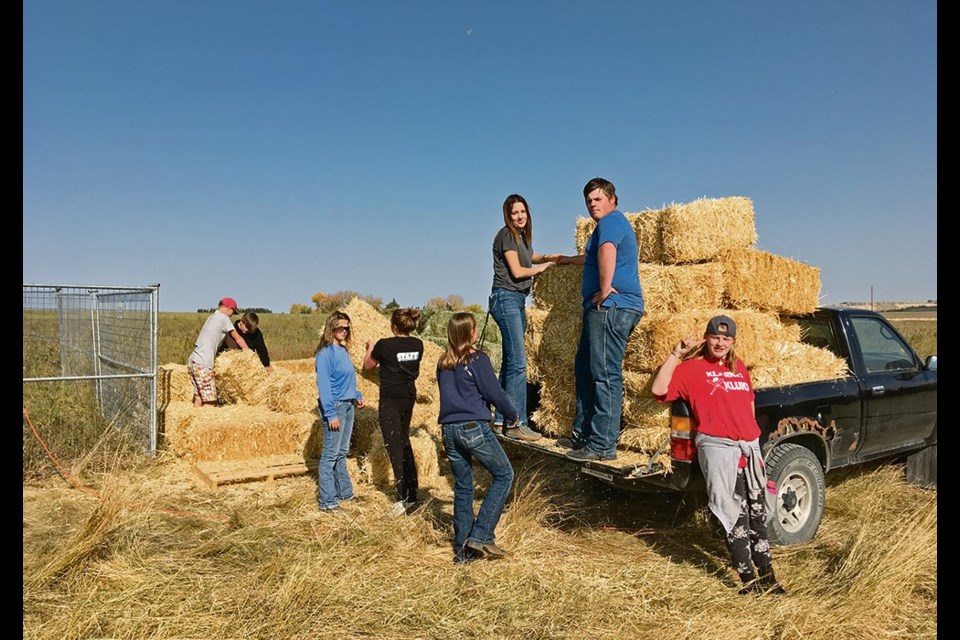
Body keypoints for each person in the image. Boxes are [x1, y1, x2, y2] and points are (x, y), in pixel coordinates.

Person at [651, 315, 787, 595]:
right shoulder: (691, 370)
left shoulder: (739, 369)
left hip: (748, 448)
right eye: (715, 337)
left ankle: (769, 578)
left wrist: (751, 438)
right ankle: (748, 581)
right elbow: (659, 389)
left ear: (733, 341)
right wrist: (676, 353)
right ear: (706, 338)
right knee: (734, 516)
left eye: (726, 338)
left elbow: (748, 406)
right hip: (718, 448)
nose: (720, 343)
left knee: (758, 514)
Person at [553, 178, 644, 461]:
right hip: (605, 309)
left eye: (598, 198)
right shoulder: (606, 226)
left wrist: (604, 291)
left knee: (604, 374)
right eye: (589, 200)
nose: (593, 204)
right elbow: (594, 255)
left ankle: (603, 445)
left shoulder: (611, 222)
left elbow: (607, 251)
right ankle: (583, 435)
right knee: (585, 370)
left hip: (612, 307)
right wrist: (568, 260)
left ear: (612, 199)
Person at [437, 312, 518, 564]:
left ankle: (463, 553)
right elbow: (494, 392)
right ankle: (481, 535)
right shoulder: (477, 359)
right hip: (472, 427)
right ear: (471, 333)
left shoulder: (443, 363)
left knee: (463, 487)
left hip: (449, 430)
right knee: (504, 475)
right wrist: (512, 415)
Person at [489, 193, 555, 442]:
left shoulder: (521, 239)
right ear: (508, 215)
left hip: (514, 300)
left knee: (509, 364)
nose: (519, 216)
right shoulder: (506, 234)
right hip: (506, 297)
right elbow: (517, 271)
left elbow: (529, 256)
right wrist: (541, 269)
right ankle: (517, 422)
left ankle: (499, 419)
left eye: (523, 212)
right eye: (515, 212)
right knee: (518, 363)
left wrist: (548, 257)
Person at [363, 308, 425, 516]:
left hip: (390, 398)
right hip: (408, 396)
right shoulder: (418, 344)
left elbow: (368, 366)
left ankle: (402, 497)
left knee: (394, 445)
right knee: (404, 440)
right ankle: (413, 492)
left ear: (393, 326)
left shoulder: (384, 345)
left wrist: (370, 348)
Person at [315, 311, 365, 512]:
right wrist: (330, 413)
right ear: (331, 328)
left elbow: (346, 379)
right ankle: (327, 502)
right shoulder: (325, 353)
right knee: (330, 455)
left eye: (346, 328)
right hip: (335, 406)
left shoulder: (343, 351)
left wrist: (357, 394)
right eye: (340, 327)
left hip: (348, 405)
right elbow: (324, 385)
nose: (344, 331)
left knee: (342, 452)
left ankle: (345, 493)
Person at [187, 297, 249, 407]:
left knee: (199, 398)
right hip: (203, 363)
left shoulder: (212, 318)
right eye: (232, 312)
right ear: (229, 308)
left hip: (193, 361)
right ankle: (205, 424)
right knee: (209, 401)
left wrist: (235, 351)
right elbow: (238, 338)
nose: (232, 315)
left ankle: (196, 422)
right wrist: (249, 355)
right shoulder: (224, 318)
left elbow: (228, 340)